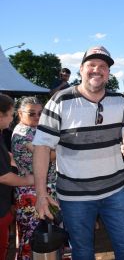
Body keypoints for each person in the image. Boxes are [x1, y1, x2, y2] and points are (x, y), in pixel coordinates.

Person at [32, 45, 124, 260]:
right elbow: (42, 147)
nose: (97, 70)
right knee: (82, 252)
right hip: (75, 197)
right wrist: (41, 194)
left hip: (115, 192)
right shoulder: (60, 101)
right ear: (81, 68)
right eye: (91, 65)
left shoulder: (119, 101)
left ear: (108, 72)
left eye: (103, 66)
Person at [11, 97, 57, 259]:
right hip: (32, 192)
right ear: (20, 114)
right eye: (32, 114)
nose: (37, 117)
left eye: (40, 113)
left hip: (38, 189)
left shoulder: (29, 128)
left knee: (41, 236)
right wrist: (68, 146)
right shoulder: (24, 132)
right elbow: (47, 156)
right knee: (36, 237)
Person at [0, 93, 34, 260]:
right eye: (11, 113)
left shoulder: (3, 133)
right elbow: (4, 176)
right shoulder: (22, 132)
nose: (11, 118)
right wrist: (28, 180)